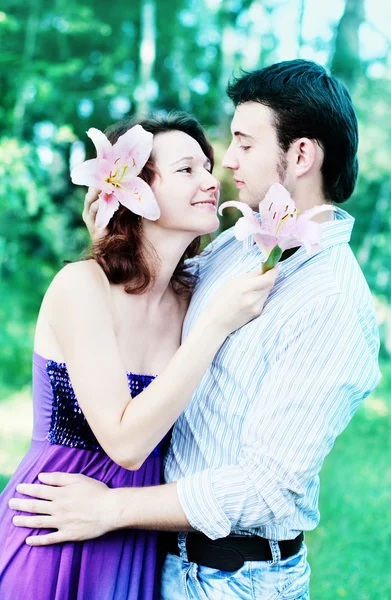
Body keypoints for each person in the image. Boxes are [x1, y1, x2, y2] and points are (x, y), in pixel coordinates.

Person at [10, 60, 381, 600]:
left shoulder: (332, 302)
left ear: (300, 154)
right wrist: (117, 232)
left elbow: (270, 487)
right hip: (150, 556)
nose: (225, 165)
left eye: (243, 143)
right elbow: (141, 286)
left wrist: (113, 508)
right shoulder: (235, 247)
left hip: (237, 579)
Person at [0, 112, 277, 600]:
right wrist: (215, 327)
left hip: (138, 530)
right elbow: (126, 445)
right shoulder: (81, 286)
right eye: (187, 169)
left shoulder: (191, 300)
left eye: (208, 167)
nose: (211, 181)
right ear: (135, 192)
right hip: (56, 521)